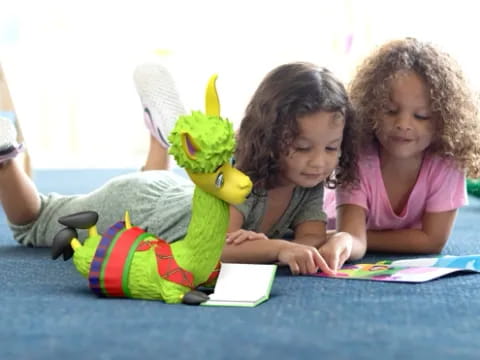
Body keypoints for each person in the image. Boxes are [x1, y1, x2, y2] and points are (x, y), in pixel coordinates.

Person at [0, 62, 358, 275]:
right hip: (137, 207)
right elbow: (214, 249)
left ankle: (160, 141)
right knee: (33, 221)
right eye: (302, 147)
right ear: (269, 135)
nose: (319, 161)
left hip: (173, 194)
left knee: (176, 189)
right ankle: (6, 152)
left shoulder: (307, 177)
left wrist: (309, 245)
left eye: (331, 148)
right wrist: (277, 248)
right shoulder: (243, 174)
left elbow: (309, 238)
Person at [321, 38, 480, 270]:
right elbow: (351, 236)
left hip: (336, 233)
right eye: (391, 110)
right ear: (371, 109)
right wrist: (342, 236)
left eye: (421, 116)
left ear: (443, 121)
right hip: (329, 220)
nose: (403, 124)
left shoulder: (448, 163)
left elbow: (432, 241)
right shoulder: (358, 157)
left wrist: (356, 237)